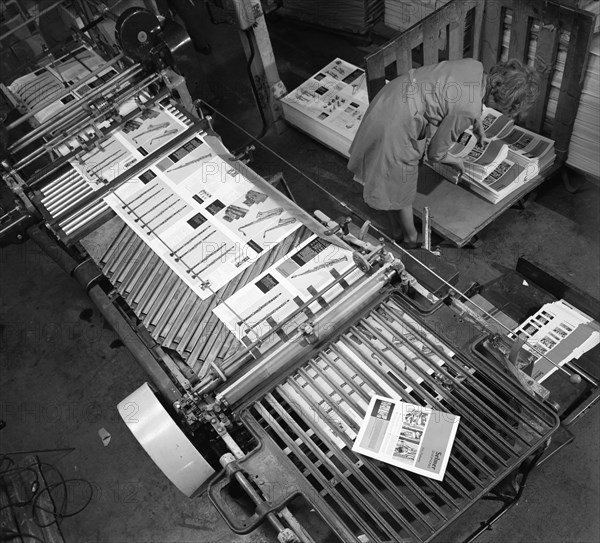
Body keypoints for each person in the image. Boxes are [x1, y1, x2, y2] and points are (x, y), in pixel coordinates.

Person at [347, 58, 540, 248]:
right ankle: (410, 238)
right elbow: (435, 153)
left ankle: (398, 229)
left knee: (389, 176)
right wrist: (455, 160)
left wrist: (477, 125)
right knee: (401, 184)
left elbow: (464, 96)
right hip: (398, 123)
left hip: (392, 95)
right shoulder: (468, 110)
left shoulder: (474, 67)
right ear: (504, 100)